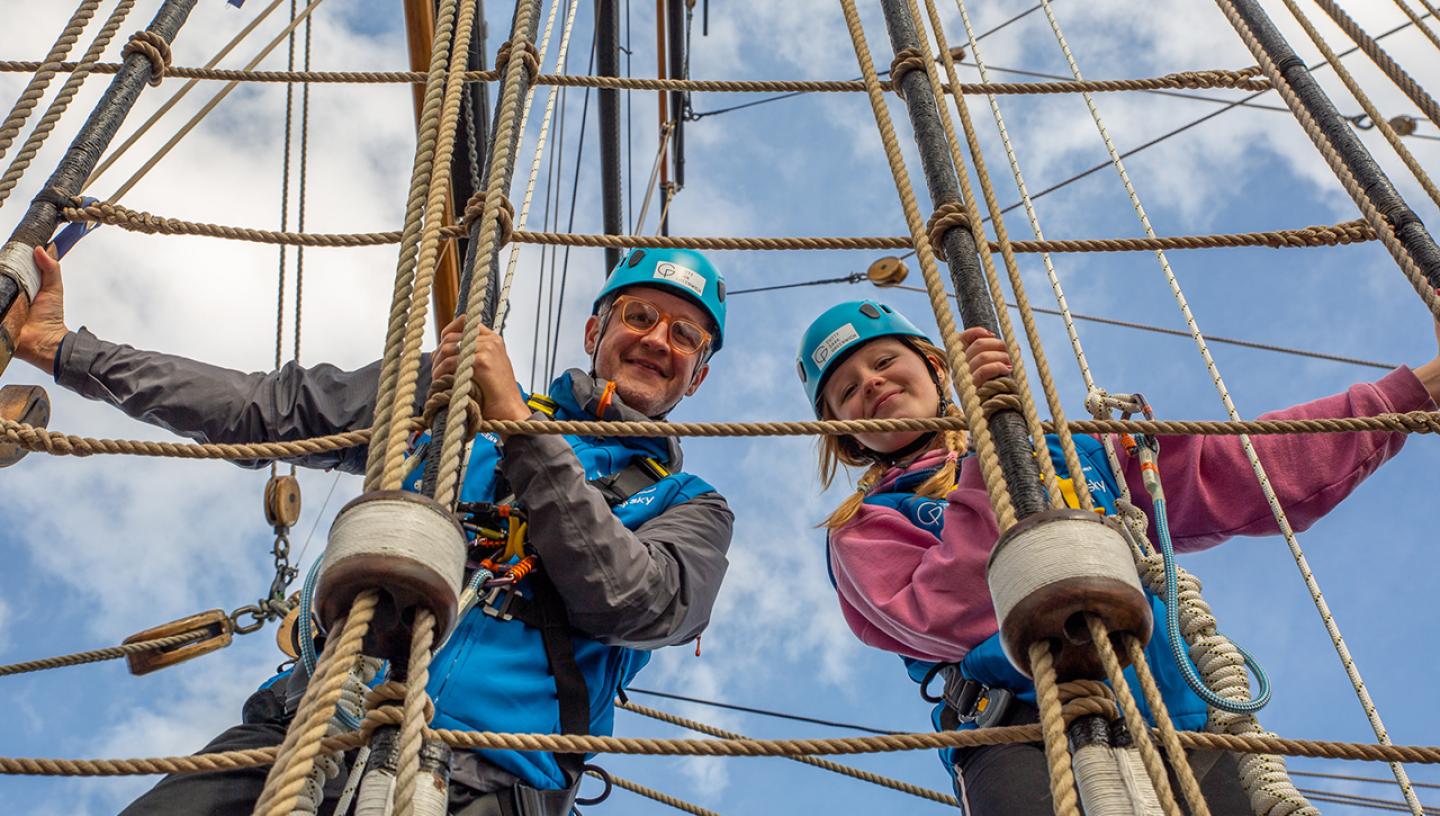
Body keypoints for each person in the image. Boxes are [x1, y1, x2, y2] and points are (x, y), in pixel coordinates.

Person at [13, 244, 734, 816]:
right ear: (596, 330)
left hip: (492, 782)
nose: (656, 340)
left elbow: (635, 602)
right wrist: (62, 350)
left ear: (696, 374)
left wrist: (517, 427)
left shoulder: (690, 505)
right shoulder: (457, 403)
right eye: (638, 315)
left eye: (684, 335)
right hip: (306, 725)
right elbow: (266, 412)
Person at [794, 298, 1440, 815]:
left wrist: (1418, 392)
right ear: (843, 433)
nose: (871, 384)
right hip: (1022, 736)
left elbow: (1245, 468)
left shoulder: (1074, 456)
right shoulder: (865, 528)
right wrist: (993, 451)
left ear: (937, 369)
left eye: (883, 361)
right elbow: (954, 609)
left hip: (1179, 710)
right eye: (846, 391)